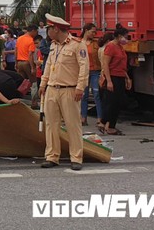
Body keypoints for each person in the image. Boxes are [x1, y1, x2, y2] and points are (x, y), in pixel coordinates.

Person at [39, 14, 89, 171]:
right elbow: (48, 65)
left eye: (49, 29)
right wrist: (43, 83)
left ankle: (76, 157)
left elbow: (84, 67)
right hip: (52, 89)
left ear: (56, 29)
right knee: (51, 124)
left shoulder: (77, 45)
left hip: (70, 89)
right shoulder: (54, 45)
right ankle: (52, 156)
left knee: (72, 125)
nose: (47, 32)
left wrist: (81, 87)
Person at [99, 26, 132, 136]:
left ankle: (110, 125)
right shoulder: (111, 46)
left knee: (118, 102)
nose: (126, 39)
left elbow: (122, 65)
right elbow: (105, 65)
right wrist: (109, 81)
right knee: (111, 102)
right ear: (119, 36)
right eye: (125, 37)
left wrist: (127, 77)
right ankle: (104, 123)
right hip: (113, 77)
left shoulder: (120, 47)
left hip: (120, 76)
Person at [80, 23, 102, 127]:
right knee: (83, 95)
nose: (94, 34)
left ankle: (100, 118)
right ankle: (83, 118)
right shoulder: (78, 43)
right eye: (92, 31)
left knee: (97, 94)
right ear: (86, 30)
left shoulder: (96, 44)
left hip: (95, 71)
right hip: (83, 72)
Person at [16, 24, 38, 102]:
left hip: (19, 63)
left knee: (21, 82)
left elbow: (16, 51)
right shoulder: (30, 40)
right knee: (33, 82)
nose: (36, 34)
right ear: (33, 31)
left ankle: (19, 99)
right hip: (27, 63)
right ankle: (34, 102)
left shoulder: (19, 39)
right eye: (36, 32)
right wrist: (32, 68)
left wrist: (16, 63)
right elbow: (30, 55)